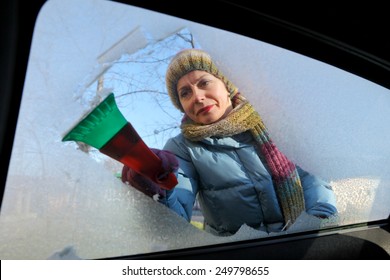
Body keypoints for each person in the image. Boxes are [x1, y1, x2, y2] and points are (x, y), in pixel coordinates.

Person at [122, 48, 338, 236]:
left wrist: (319, 223)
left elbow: (311, 176)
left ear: (227, 85)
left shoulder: (272, 121)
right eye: (185, 93)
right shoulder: (182, 148)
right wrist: (156, 190)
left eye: (204, 82)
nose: (197, 97)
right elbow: (174, 223)